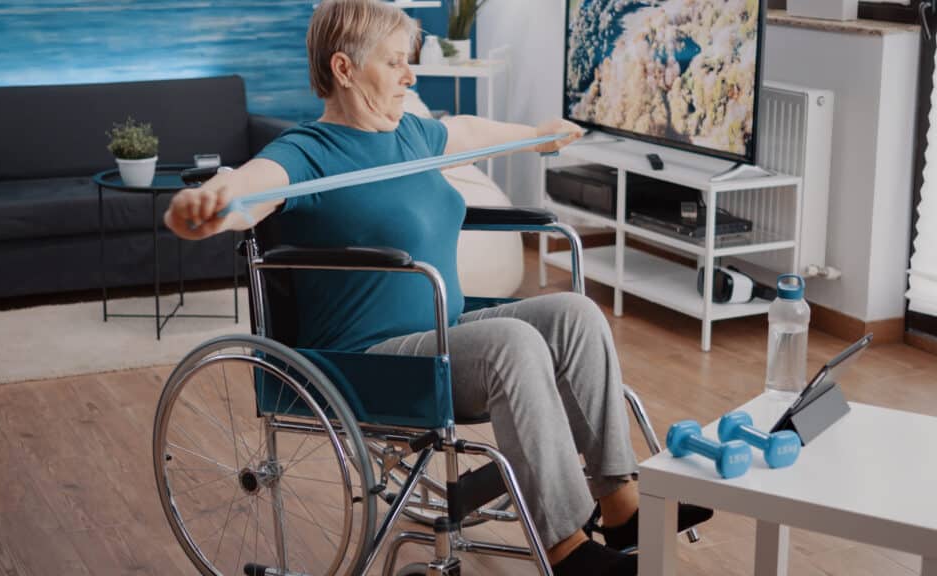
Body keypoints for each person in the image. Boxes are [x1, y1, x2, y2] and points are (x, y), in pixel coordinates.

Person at [165, 1, 711, 574]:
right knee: (513, 344)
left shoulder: (409, 135)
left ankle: (620, 505)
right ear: (345, 69)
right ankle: (568, 552)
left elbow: (467, 131)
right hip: (366, 361)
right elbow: (254, 187)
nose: (410, 75)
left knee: (576, 314)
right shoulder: (306, 152)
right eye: (396, 62)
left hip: (440, 336)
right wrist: (213, 203)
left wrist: (536, 135)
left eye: (410, 61)